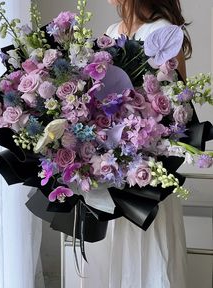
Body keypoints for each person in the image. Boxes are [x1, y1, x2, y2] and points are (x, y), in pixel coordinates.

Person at [81, 1, 192, 287]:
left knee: (150, 260)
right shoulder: (111, 32)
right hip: (111, 176)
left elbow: (178, 112)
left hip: (147, 176)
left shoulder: (164, 32)